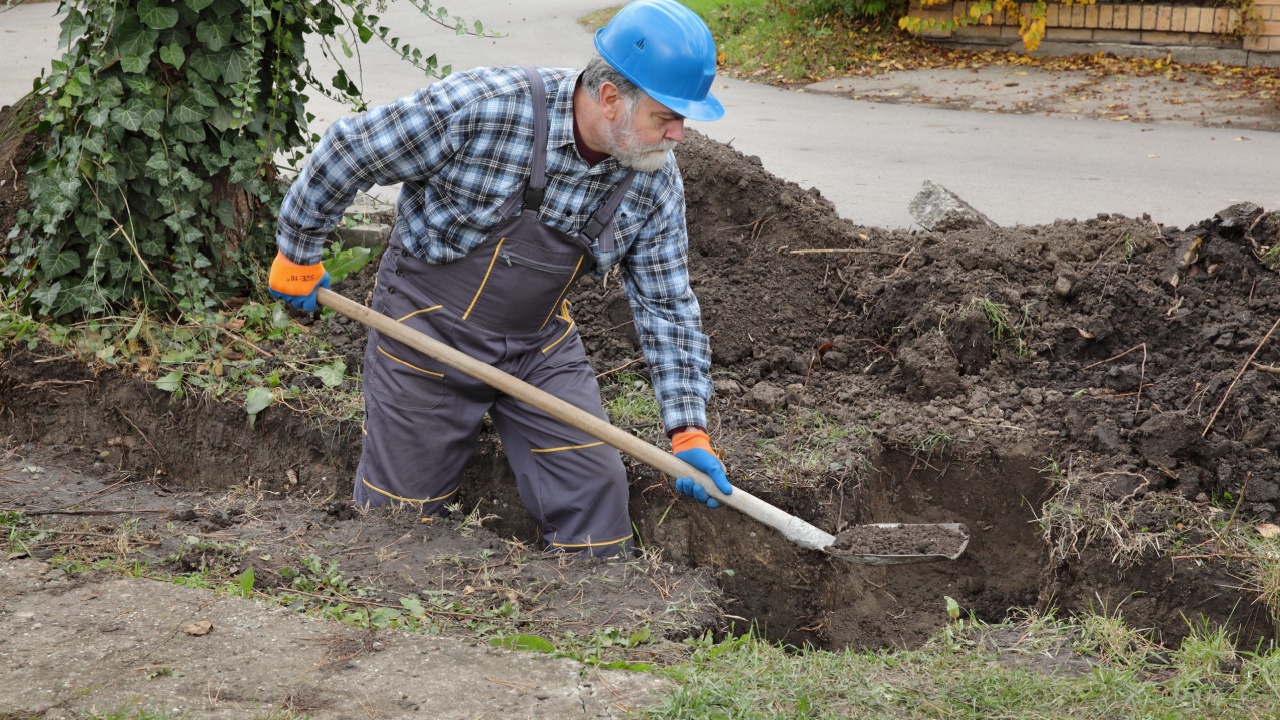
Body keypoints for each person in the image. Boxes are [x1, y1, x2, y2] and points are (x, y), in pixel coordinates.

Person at [267, 0, 732, 557]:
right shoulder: (486, 108)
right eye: (667, 116)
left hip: (536, 343)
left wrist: (688, 429)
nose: (679, 134)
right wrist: (299, 249)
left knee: (596, 496)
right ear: (611, 98)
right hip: (425, 327)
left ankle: (596, 631)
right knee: (396, 524)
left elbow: (666, 305)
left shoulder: (652, 178)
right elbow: (351, 150)